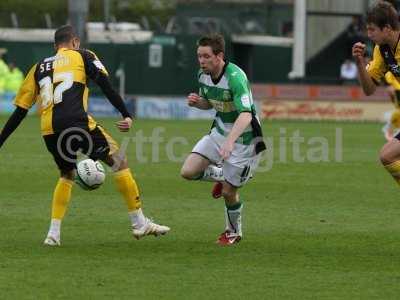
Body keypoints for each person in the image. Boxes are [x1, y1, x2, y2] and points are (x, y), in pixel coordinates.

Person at [0, 25, 170, 246]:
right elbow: (105, 85)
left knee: (67, 174)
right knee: (119, 161)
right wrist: (125, 113)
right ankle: (139, 223)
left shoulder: (39, 66)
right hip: (77, 122)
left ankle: (53, 234)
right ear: (75, 42)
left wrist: (1, 140)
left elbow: (21, 111)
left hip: (49, 130)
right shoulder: (83, 55)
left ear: (55, 46)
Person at [180, 33, 266, 246]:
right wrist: (197, 102)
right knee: (188, 171)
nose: (201, 61)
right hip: (219, 132)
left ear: (219, 56)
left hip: (244, 139)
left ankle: (233, 232)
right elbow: (210, 103)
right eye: (199, 56)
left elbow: (246, 114)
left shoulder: (236, 77)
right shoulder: (203, 75)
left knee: (229, 192)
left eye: (206, 56)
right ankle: (221, 175)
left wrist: (230, 142)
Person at [352, 1, 400, 186]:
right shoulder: (382, 50)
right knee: (387, 156)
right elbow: (369, 89)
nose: (368, 34)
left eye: (372, 30)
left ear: (387, 28)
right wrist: (359, 62)